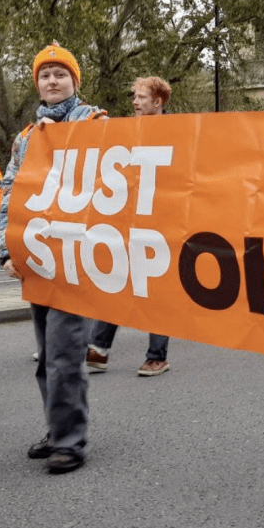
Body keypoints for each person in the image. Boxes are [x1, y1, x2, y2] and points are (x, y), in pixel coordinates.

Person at [0, 43, 107, 473]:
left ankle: (70, 441)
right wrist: (7, 248)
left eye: (61, 74)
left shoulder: (98, 125)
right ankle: (57, 427)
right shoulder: (26, 137)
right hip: (39, 257)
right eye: (45, 75)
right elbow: (11, 191)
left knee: (64, 352)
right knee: (47, 356)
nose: (52, 81)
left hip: (77, 257)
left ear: (75, 82)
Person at [86, 76, 173, 378]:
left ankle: (157, 356)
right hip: (127, 219)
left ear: (158, 102)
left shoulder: (178, 133)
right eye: (133, 96)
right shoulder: (126, 132)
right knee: (117, 278)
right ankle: (98, 350)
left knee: (155, 288)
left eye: (141, 97)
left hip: (161, 222)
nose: (134, 102)